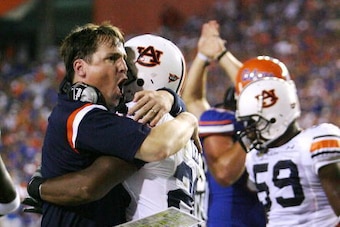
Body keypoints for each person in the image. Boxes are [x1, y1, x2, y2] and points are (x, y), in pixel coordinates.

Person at [30, 22, 200, 227]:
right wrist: (187, 117)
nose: (125, 68)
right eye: (112, 58)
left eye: (123, 59)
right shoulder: (84, 116)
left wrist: (39, 188)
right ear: (80, 68)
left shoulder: (108, 117)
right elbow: (157, 147)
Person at [182, 20, 266, 227]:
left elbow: (258, 87)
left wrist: (215, 54)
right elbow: (193, 100)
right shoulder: (234, 124)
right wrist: (209, 55)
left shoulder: (232, 122)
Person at [236, 76, 340, 226]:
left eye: (254, 122)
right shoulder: (254, 157)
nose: (250, 132)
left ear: (275, 117)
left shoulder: (314, 142)